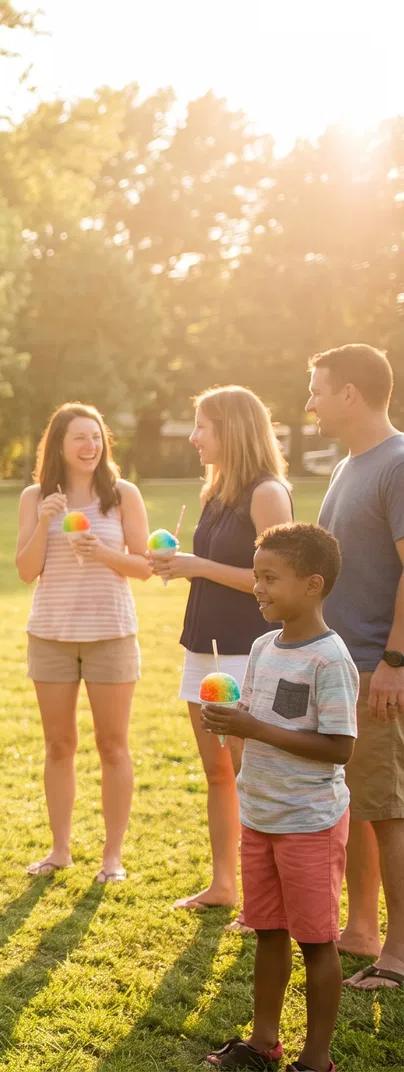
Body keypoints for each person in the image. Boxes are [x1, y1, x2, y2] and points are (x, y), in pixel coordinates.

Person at [201, 523, 355, 1072]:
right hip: (261, 814)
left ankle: (316, 1060)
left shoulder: (330, 659)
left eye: (270, 578)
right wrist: (233, 721)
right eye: (256, 575)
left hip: (309, 822)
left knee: (316, 942)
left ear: (313, 584)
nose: (257, 587)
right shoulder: (263, 646)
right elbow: (256, 717)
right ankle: (264, 1042)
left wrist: (256, 729)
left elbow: (339, 747)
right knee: (268, 931)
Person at [151, 387, 294, 913]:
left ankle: (266, 898)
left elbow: (278, 580)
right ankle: (223, 885)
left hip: (245, 652)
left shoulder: (267, 493)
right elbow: (209, 569)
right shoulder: (214, 492)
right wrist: (178, 565)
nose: (193, 437)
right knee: (217, 773)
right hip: (203, 649)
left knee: (250, 777)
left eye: (202, 426)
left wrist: (199, 567)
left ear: (230, 430)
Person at [15, 402, 152, 882]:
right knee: (58, 745)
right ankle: (60, 850)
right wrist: (42, 522)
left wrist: (104, 551)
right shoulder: (35, 497)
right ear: (59, 445)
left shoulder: (122, 495)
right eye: (79, 437)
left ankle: (112, 857)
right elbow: (26, 570)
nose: (90, 445)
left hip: (111, 633)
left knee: (112, 746)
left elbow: (146, 566)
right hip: (51, 634)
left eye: (96, 437)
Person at [307, 343, 404, 991]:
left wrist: (395, 658)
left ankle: (398, 955)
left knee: (389, 810)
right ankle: (363, 930)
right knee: (361, 803)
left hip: (378, 667)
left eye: (317, 391)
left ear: (349, 393)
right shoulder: (350, 465)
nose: (309, 403)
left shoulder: (397, 463)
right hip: (344, 666)